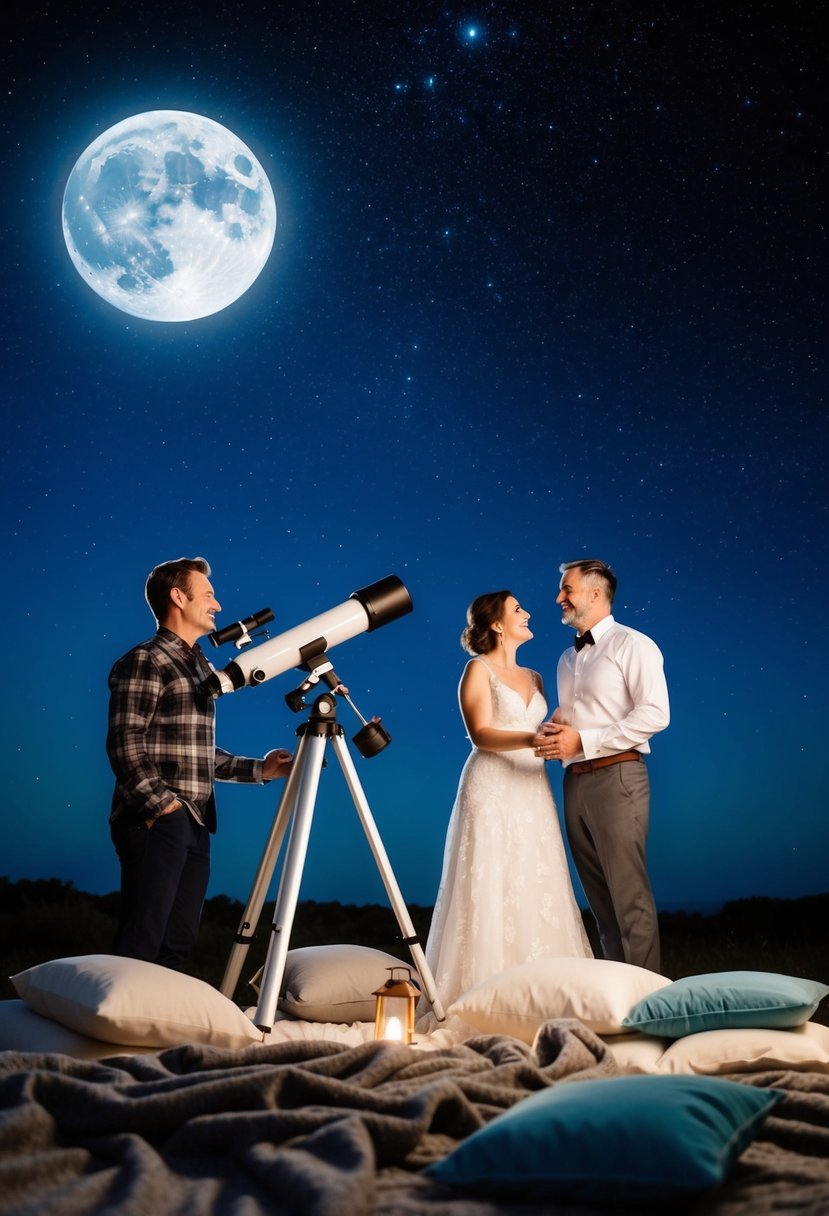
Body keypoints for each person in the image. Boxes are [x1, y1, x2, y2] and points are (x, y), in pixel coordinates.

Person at [107, 556, 293, 969]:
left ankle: (161, 1032)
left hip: (194, 821)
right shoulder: (147, 660)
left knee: (177, 944)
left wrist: (261, 769)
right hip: (157, 819)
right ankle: (119, 1028)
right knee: (142, 941)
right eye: (208, 594)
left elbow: (194, 753)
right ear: (178, 596)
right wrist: (163, 808)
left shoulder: (198, 666)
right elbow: (124, 741)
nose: (218, 605)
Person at [424, 590, 592, 1014]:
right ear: (496, 624)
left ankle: (542, 995)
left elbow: (545, 728)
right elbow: (480, 733)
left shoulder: (535, 678)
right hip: (492, 784)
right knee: (490, 879)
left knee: (535, 878)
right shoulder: (476, 670)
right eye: (518, 609)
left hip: (532, 789)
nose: (528, 612)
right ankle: (482, 998)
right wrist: (529, 738)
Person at [534, 559, 669, 972]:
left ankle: (649, 1005)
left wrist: (584, 740)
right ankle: (618, 1003)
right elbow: (584, 719)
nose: (559, 598)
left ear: (595, 593)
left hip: (619, 778)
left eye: (566, 589)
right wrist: (557, 730)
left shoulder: (634, 645)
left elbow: (655, 715)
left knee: (630, 901)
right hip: (574, 782)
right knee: (601, 905)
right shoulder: (565, 660)